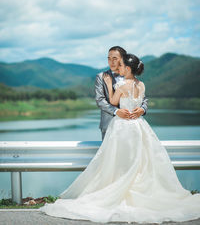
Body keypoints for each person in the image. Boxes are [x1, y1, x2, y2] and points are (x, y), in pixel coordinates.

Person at [39, 53, 200, 224]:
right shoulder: (140, 83)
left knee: (121, 161)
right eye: (110, 59)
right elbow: (108, 101)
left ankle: (119, 192)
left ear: (126, 66)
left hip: (123, 127)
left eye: (119, 62)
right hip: (138, 126)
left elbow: (116, 101)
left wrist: (113, 89)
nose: (114, 63)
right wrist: (133, 109)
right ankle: (138, 190)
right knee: (137, 161)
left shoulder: (122, 84)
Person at [95, 46, 148, 140]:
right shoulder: (101, 77)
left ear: (123, 59)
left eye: (115, 58)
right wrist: (116, 111)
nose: (111, 62)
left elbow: (143, 98)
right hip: (109, 125)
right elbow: (100, 100)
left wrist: (142, 109)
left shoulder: (132, 77)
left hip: (132, 126)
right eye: (109, 58)